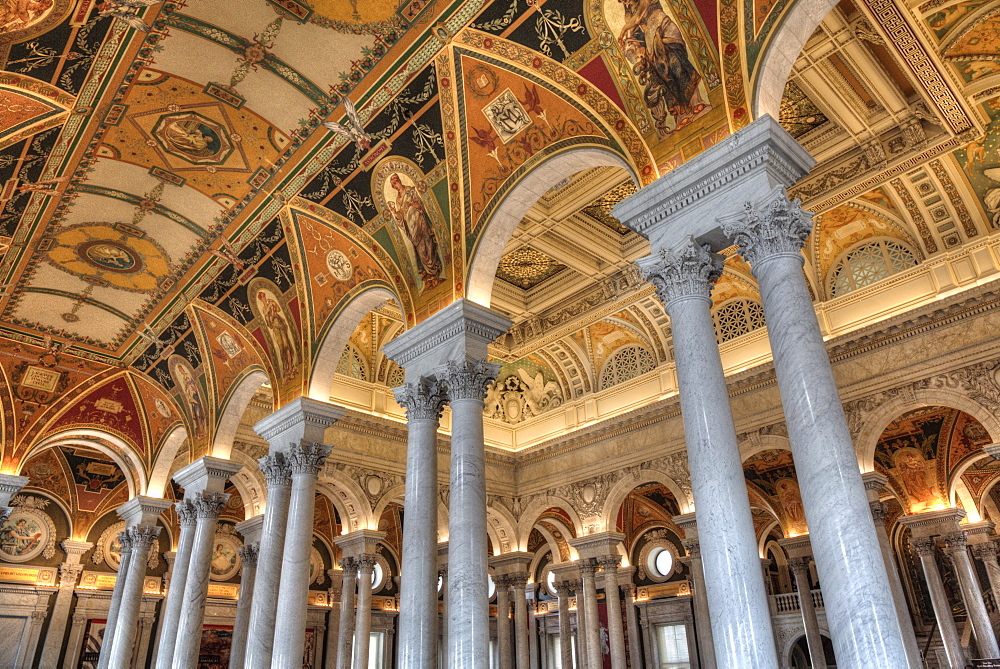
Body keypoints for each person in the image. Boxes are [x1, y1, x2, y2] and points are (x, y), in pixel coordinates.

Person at [618, 0, 708, 135]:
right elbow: (634, 27)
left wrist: (623, 30)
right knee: (663, 75)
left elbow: (637, 18)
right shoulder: (630, 7)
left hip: (664, 29)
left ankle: (696, 102)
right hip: (651, 40)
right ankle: (681, 116)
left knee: (677, 64)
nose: (625, 1)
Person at [386, 173, 442, 288]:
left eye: (395, 183)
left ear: (399, 181)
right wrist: (394, 211)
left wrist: (413, 204)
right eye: (393, 186)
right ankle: (428, 275)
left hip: (420, 222)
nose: (395, 186)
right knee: (420, 248)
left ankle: (435, 273)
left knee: (428, 244)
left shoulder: (410, 191)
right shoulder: (398, 199)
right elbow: (401, 216)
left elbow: (420, 205)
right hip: (412, 229)